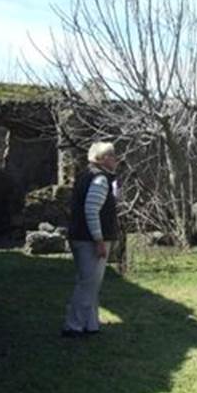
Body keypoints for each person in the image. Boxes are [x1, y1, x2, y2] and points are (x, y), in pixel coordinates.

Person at [64, 141, 120, 337]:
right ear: (101, 159)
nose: (115, 159)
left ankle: (91, 324)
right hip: (89, 240)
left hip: (80, 236)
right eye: (112, 155)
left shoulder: (86, 175)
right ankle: (73, 326)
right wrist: (99, 240)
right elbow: (91, 211)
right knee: (87, 284)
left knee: (90, 283)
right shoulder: (100, 179)